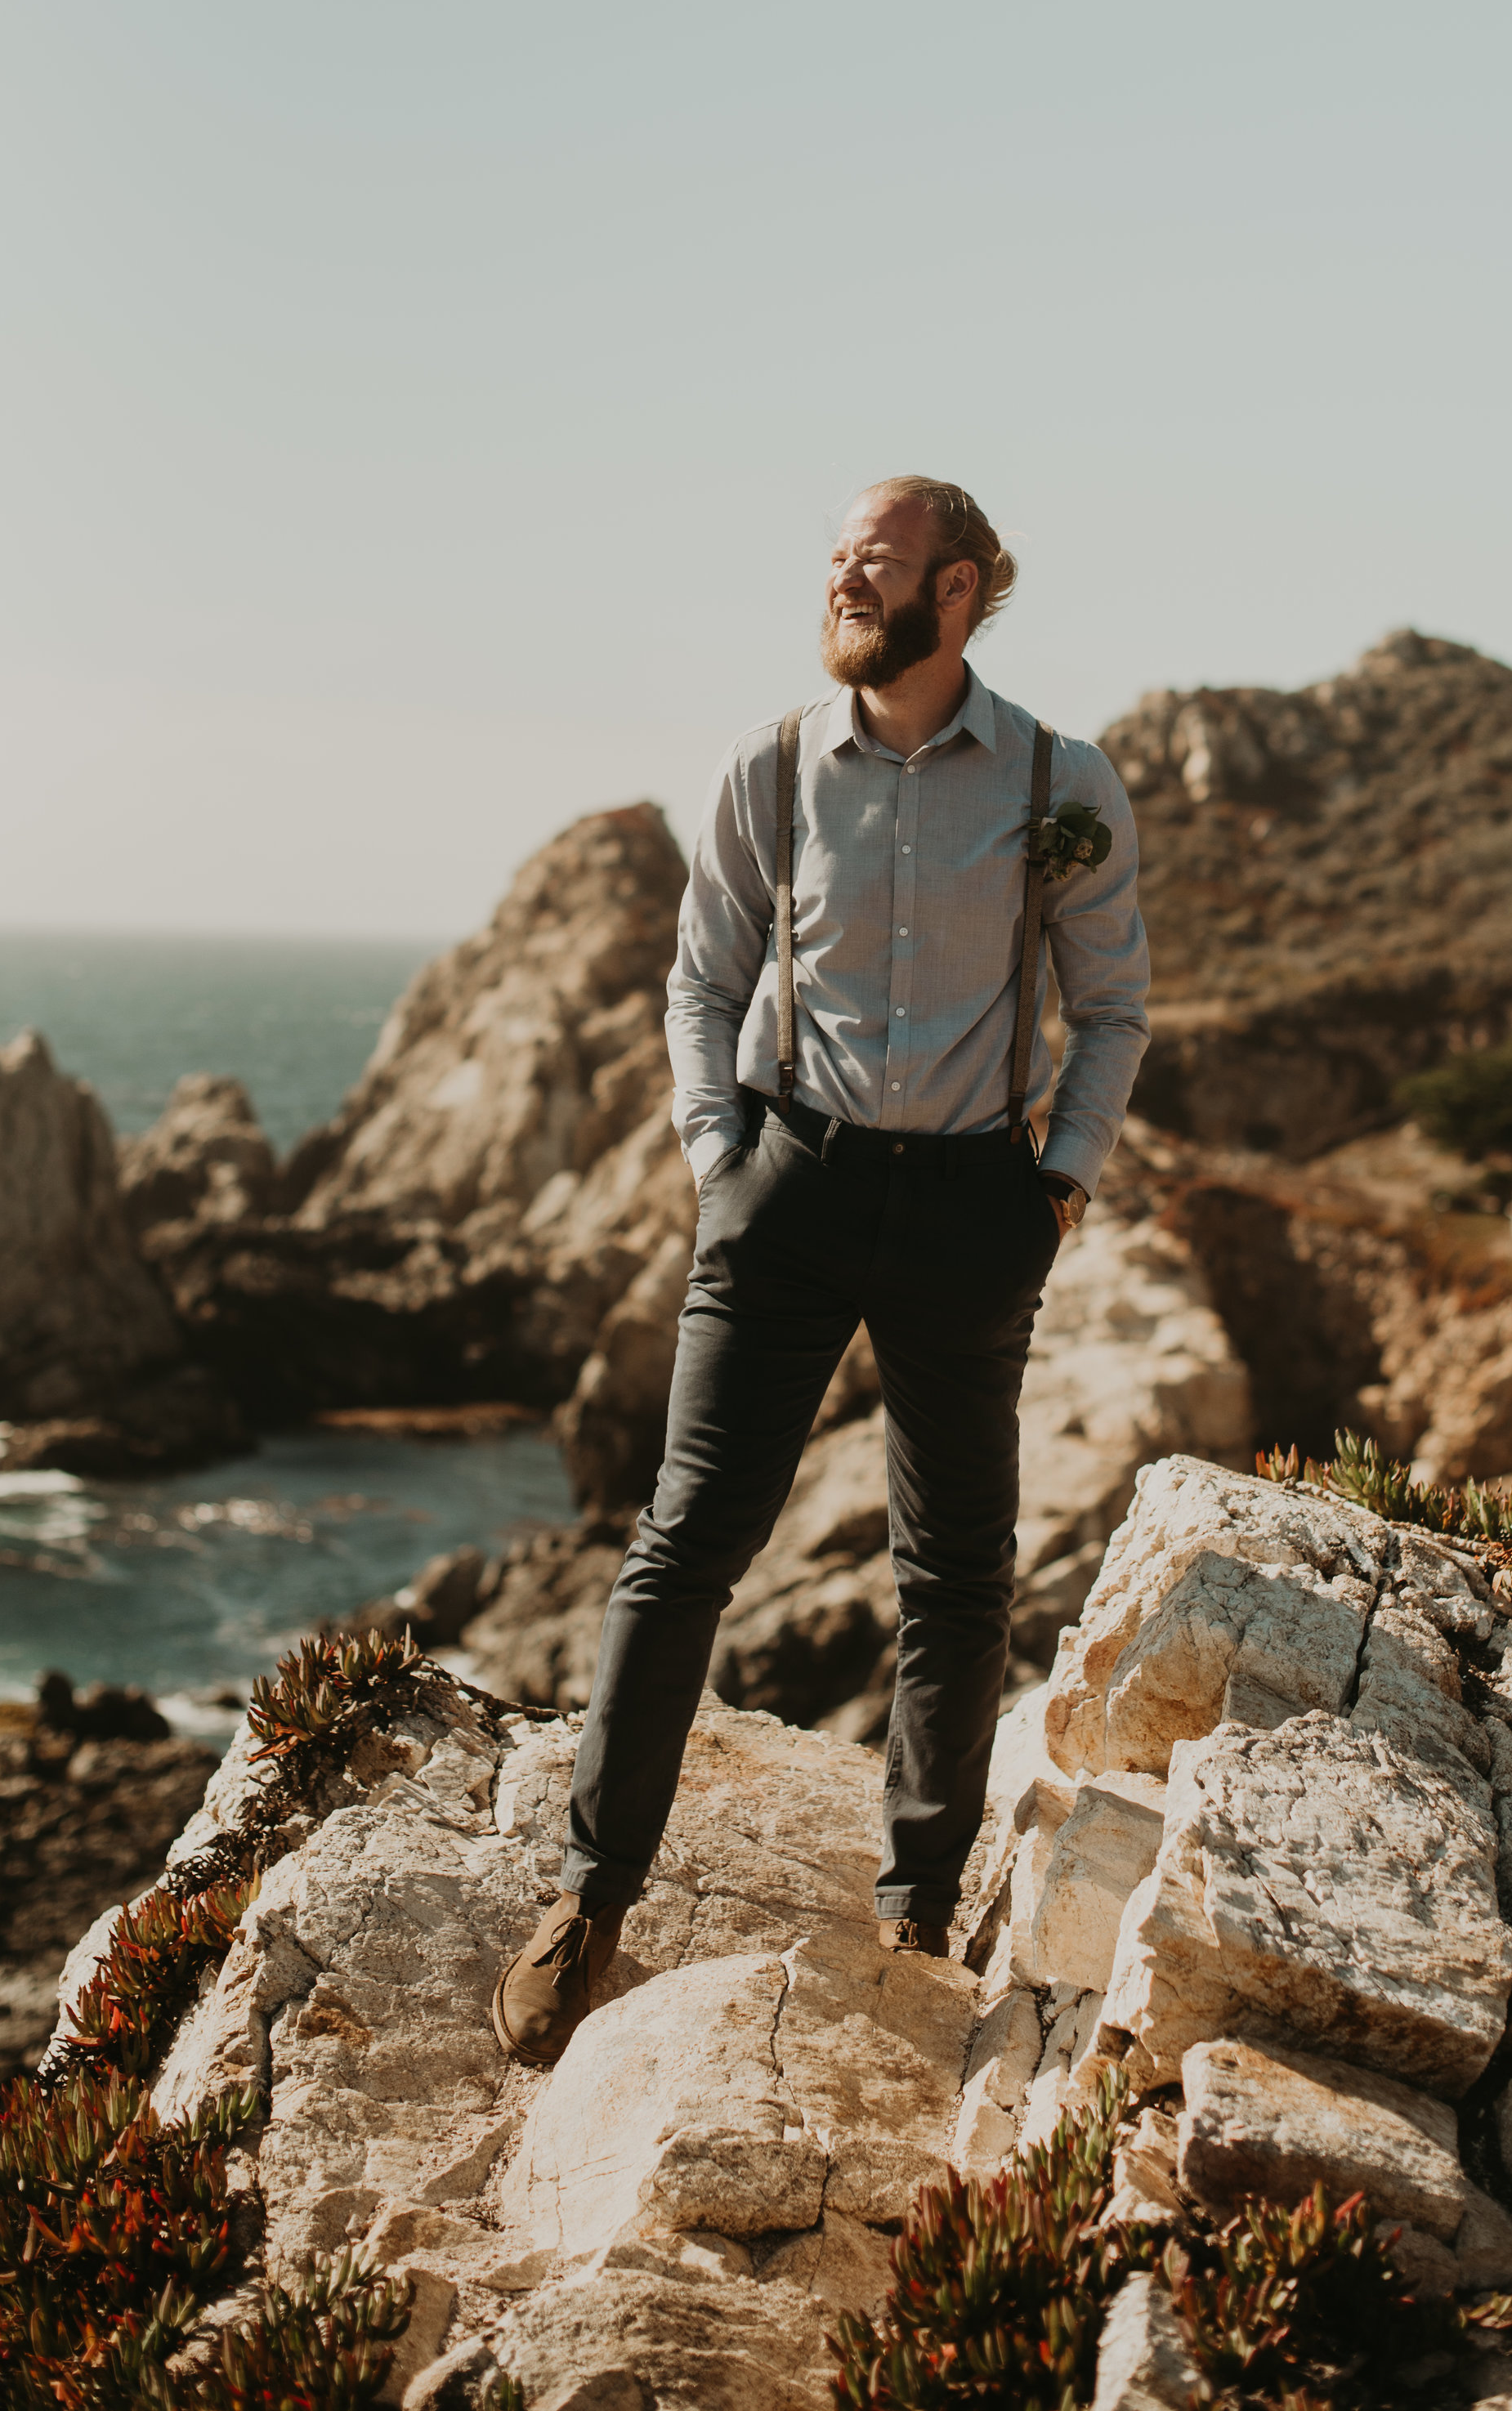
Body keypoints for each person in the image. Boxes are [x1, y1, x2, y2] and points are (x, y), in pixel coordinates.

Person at [492, 475, 1150, 2064]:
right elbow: (702, 978)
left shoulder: (1062, 781)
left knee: (954, 1565)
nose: (845, 581)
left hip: (971, 1207)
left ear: (963, 587)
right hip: (788, 1186)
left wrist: (1052, 1187)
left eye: (878, 562)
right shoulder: (772, 766)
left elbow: (1110, 1005)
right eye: (837, 561)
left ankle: (918, 1897)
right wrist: (720, 1159)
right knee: (682, 1539)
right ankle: (592, 1893)